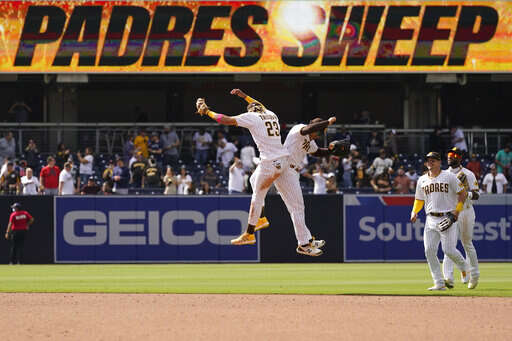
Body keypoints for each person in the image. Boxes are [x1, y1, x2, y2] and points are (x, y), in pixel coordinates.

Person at [195, 89, 325, 256]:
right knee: (253, 180)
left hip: (270, 163)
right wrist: (244, 97)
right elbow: (258, 105)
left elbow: (225, 120)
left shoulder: (252, 117)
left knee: (257, 195)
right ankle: (264, 220)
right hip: (283, 161)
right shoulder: (271, 114)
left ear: (252, 110)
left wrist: (207, 112)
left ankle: (249, 234)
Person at [252, 116, 338, 255]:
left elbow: (317, 152)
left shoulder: (311, 141)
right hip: (286, 169)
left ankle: (308, 239)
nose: (318, 135)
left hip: (291, 171)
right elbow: (309, 129)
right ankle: (303, 244)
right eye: (319, 132)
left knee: (296, 208)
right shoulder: (299, 129)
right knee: (297, 208)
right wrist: (327, 122)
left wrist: (330, 150)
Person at [410, 151, 468, 291]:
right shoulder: (422, 180)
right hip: (430, 219)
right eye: (428, 160)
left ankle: (465, 268)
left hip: (447, 216)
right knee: (429, 251)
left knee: (448, 250)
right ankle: (439, 282)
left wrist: (457, 211)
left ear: (439, 162)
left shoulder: (449, 176)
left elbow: (463, 193)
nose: (430, 162)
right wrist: (414, 211)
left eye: (433, 160)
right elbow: (419, 199)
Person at [442, 147, 480, 289]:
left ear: (460, 158)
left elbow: (477, 195)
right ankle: (448, 278)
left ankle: (474, 275)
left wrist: (466, 192)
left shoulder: (468, 174)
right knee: (448, 245)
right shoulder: (444, 174)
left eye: (454, 155)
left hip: (466, 211)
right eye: (449, 154)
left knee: (467, 243)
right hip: (451, 212)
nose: (450, 157)